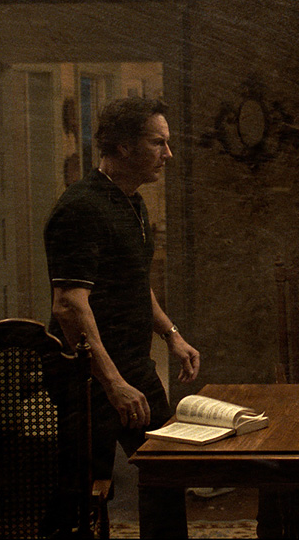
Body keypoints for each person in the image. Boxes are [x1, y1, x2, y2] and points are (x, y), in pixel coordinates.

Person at [45, 97, 200, 538]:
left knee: (166, 470)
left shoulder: (134, 204)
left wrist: (171, 334)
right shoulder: (81, 207)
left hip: (133, 365)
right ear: (124, 146)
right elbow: (69, 305)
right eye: (158, 143)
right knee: (82, 495)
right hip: (86, 376)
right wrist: (112, 384)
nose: (168, 154)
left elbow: (134, 282)